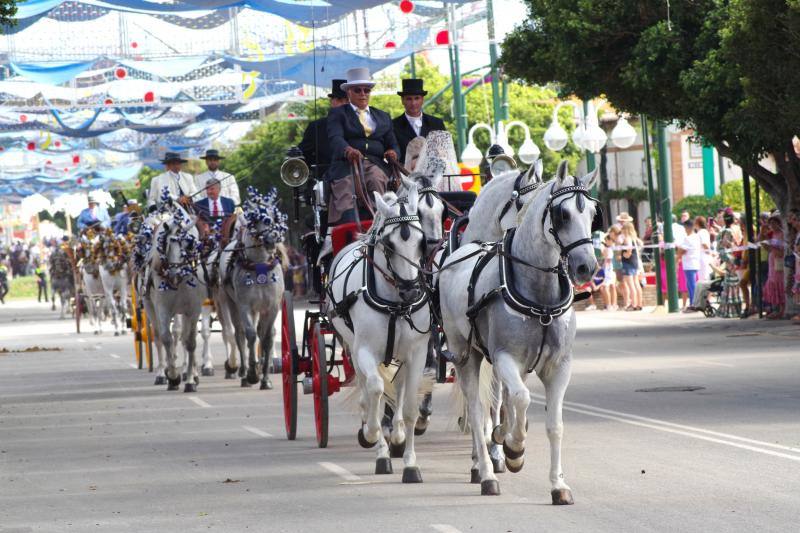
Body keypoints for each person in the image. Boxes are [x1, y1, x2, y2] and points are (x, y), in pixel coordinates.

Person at [326, 67, 400, 226]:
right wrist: (348, 150)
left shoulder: (382, 116)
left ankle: (383, 223)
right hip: (346, 165)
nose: (363, 94)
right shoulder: (338, 114)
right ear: (349, 93)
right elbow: (335, 138)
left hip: (375, 163)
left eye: (366, 90)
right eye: (357, 90)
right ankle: (349, 229)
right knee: (346, 190)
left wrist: (393, 152)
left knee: (377, 179)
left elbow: (392, 143)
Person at [299, 79, 349, 181]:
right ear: (332, 102)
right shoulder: (316, 128)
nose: (344, 104)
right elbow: (303, 155)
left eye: (347, 100)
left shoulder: (363, 125)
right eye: (339, 99)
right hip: (327, 181)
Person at [392, 78, 446, 162]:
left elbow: (445, 151)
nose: (413, 103)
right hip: (404, 173)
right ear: (402, 100)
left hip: (433, 173)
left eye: (417, 98)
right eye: (409, 99)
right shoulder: (393, 126)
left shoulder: (436, 123)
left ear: (422, 100)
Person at [762, 214, 785, 319]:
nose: (772, 226)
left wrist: (771, 247)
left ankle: (782, 309)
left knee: (779, 283)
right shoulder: (772, 235)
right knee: (772, 282)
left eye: (774, 223)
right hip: (772, 261)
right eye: (770, 224)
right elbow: (767, 247)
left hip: (779, 262)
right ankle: (777, 309)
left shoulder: (782, 234)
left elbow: (781, 251)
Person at [678, 219, 701, 308]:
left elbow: (682, 250)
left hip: (689, 264)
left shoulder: (688, 238)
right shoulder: (696, 237)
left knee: (691, 285)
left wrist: (678, 253)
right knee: (692, 284)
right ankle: (694, 302)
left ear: (687, 228)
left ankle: (693, 303)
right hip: (694, 263)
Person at [620, 221, 643, 311]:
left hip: (628, 262)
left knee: (631, 284)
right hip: (635, 262)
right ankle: (639, 303)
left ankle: (633, 304)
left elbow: (629, 250)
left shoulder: (627, 238)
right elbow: (641, 245)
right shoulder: (635, 238)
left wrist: (625, 254)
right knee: (636, 283)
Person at [600, 232, 618, 310]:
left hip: (608, 270)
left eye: (607, 240)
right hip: (611, 270)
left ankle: (609, 305)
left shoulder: (609, 249)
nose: (605, 242)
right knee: (612, 287)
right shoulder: (611, 248)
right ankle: (613, 305)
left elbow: (607, 260)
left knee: (605, 287)